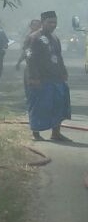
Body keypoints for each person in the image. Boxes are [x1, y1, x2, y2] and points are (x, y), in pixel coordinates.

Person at [26, 10, 72, 143]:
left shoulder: (55, 38)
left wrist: (63, 71)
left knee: (59, 105)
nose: (53, 25)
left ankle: (56, 133)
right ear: (42, 22)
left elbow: (59, 56)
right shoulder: (34, 37)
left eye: (55, 22)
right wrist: (34, 77)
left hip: (56, 78)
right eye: (50, 22)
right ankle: (35, 133)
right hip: (41, 79)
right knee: (38, 105)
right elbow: (30, 58)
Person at [15, 18, 43, 106]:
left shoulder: (44, 37)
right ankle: (31, 104)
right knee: (29, 86)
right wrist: (19, 62)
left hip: (42, 67)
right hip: (31, 66)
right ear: (31, 26)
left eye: (38, 25)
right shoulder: (29, 37)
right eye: (34, 25)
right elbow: (26, 51)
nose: (36, 27)